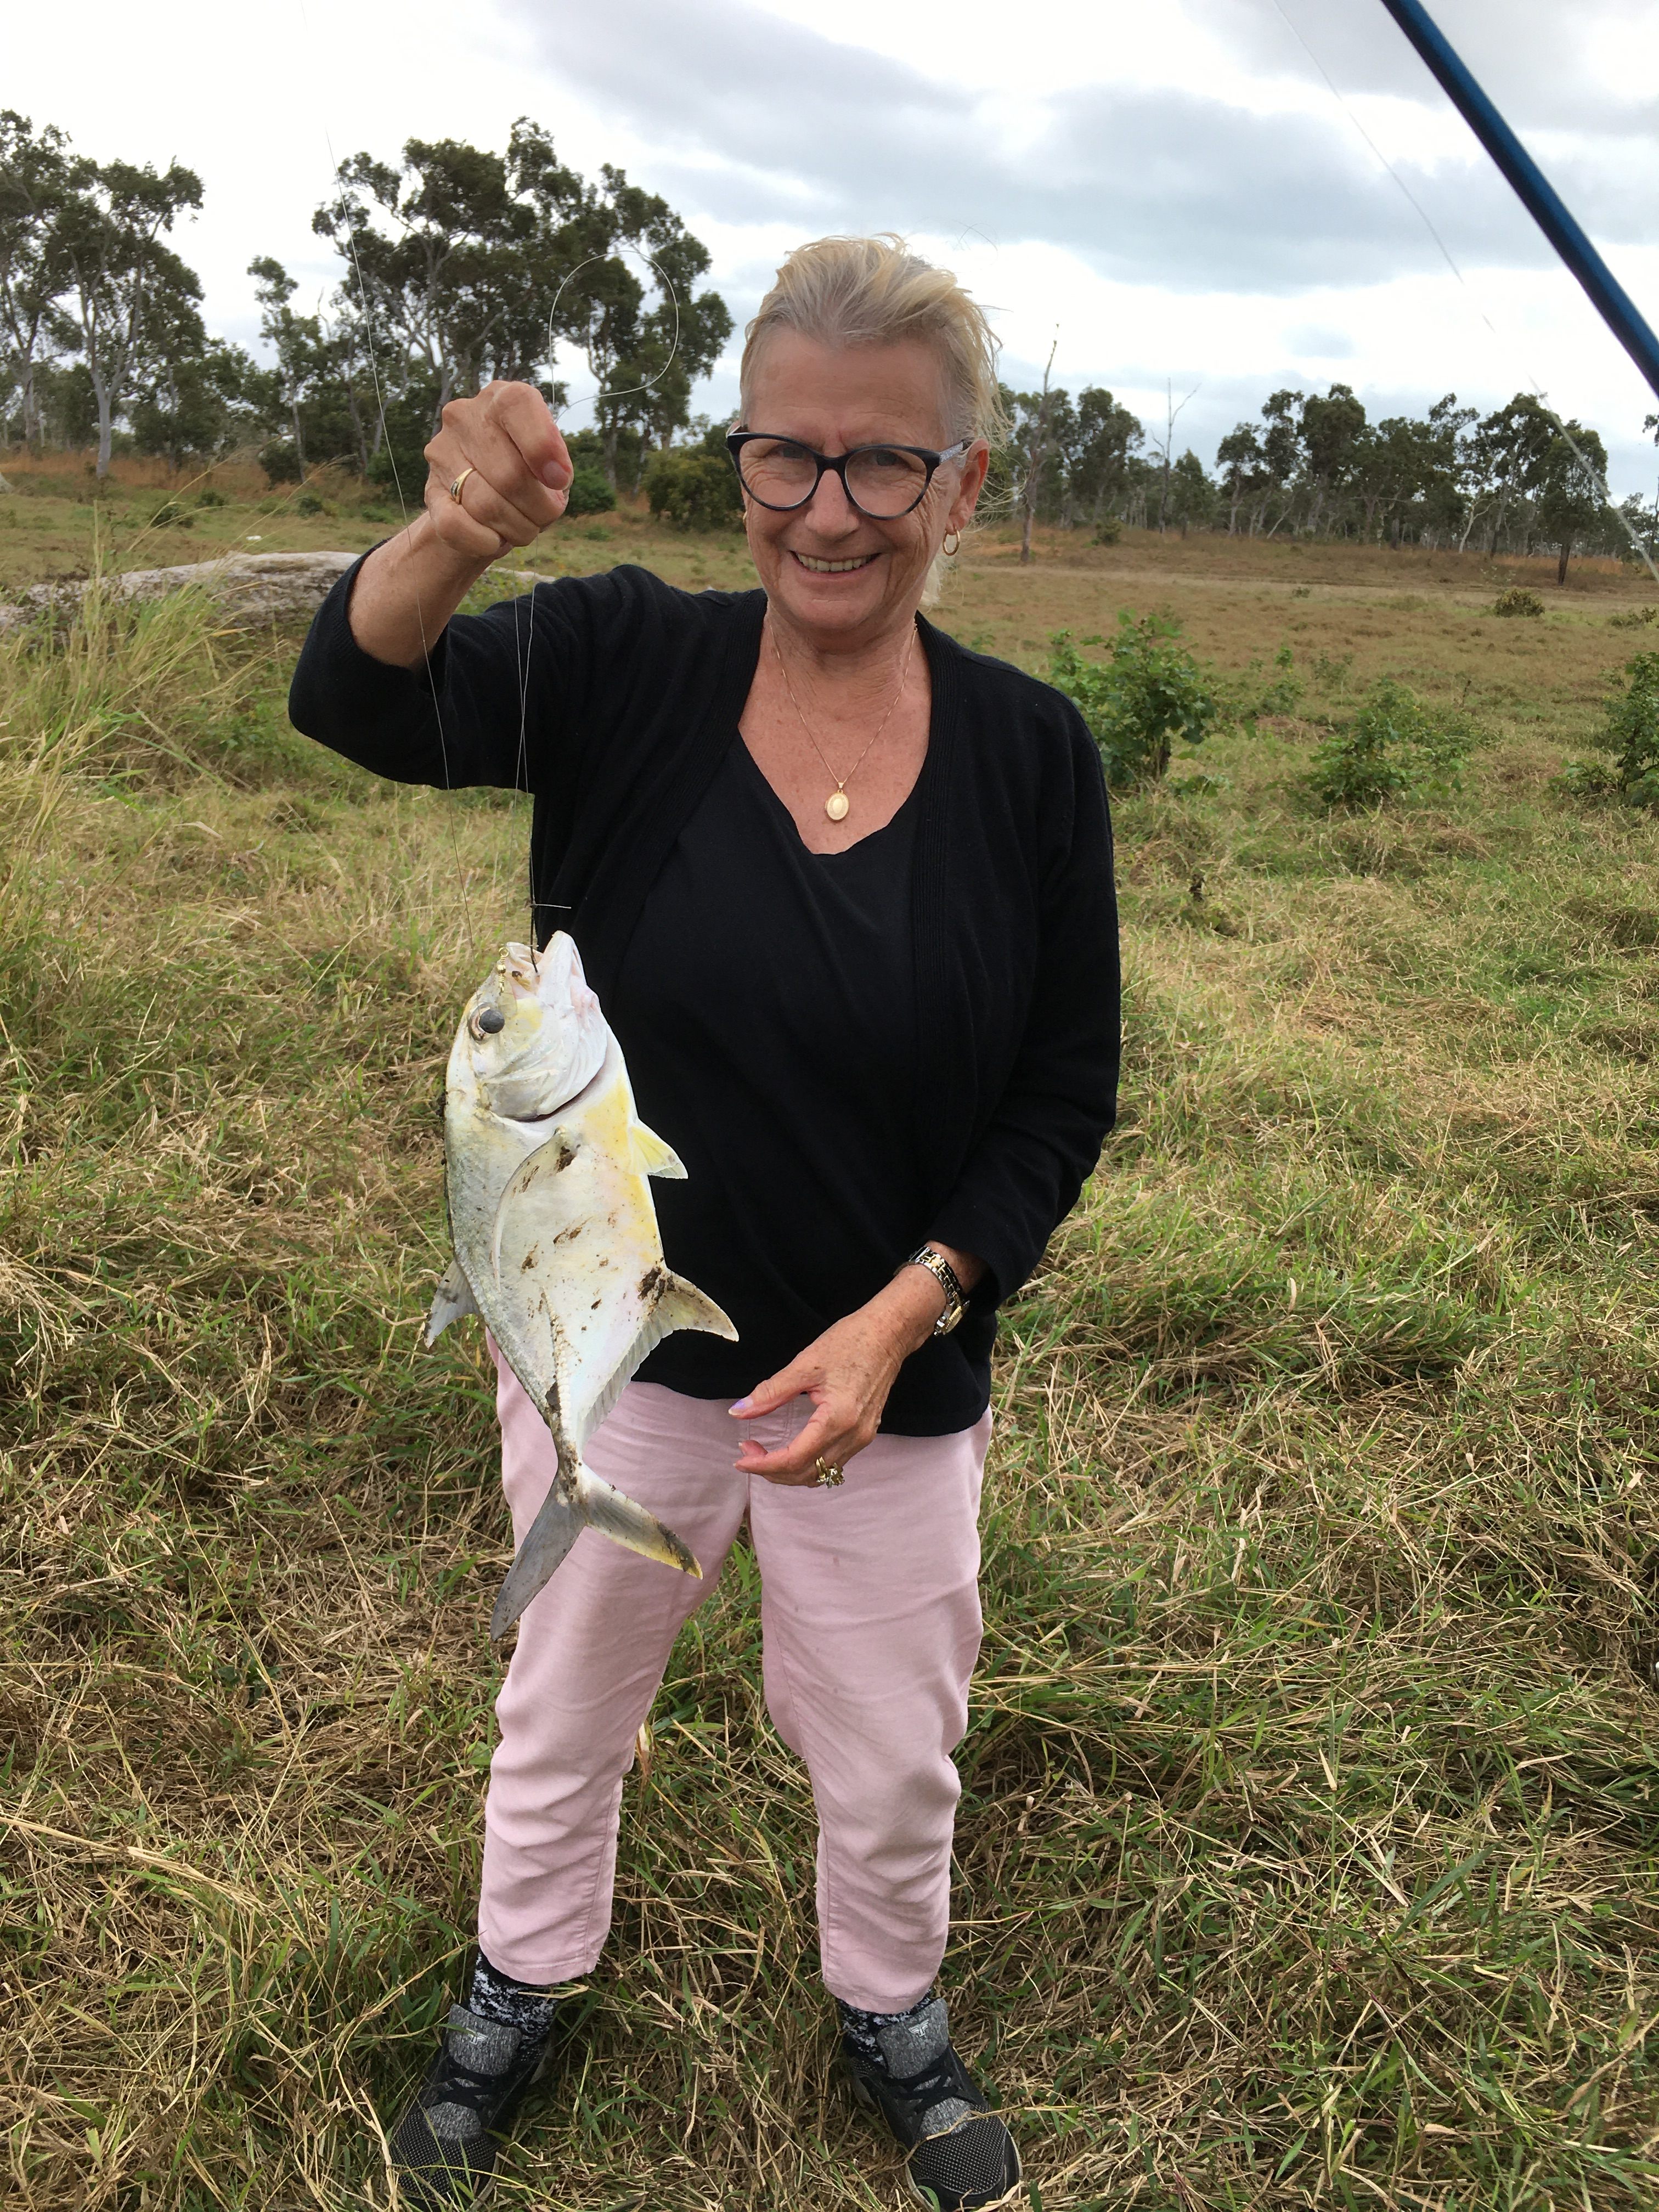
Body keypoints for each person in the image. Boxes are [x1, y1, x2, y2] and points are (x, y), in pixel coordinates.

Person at [289, 233, 1119, 2211]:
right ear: (739, 460)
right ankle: (521, 1975)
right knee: (564, 1690)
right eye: (784, 457)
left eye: (882, 466)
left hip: (884, 1386)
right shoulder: (621, 662)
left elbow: (1058, 1098)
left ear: (964, 486)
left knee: (893, 1744)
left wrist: (906, 1315)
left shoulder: (1030, 758)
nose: (826, 511)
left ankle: (891, 2009)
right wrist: (448, 532)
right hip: (618, 1348)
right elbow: (354, 695)